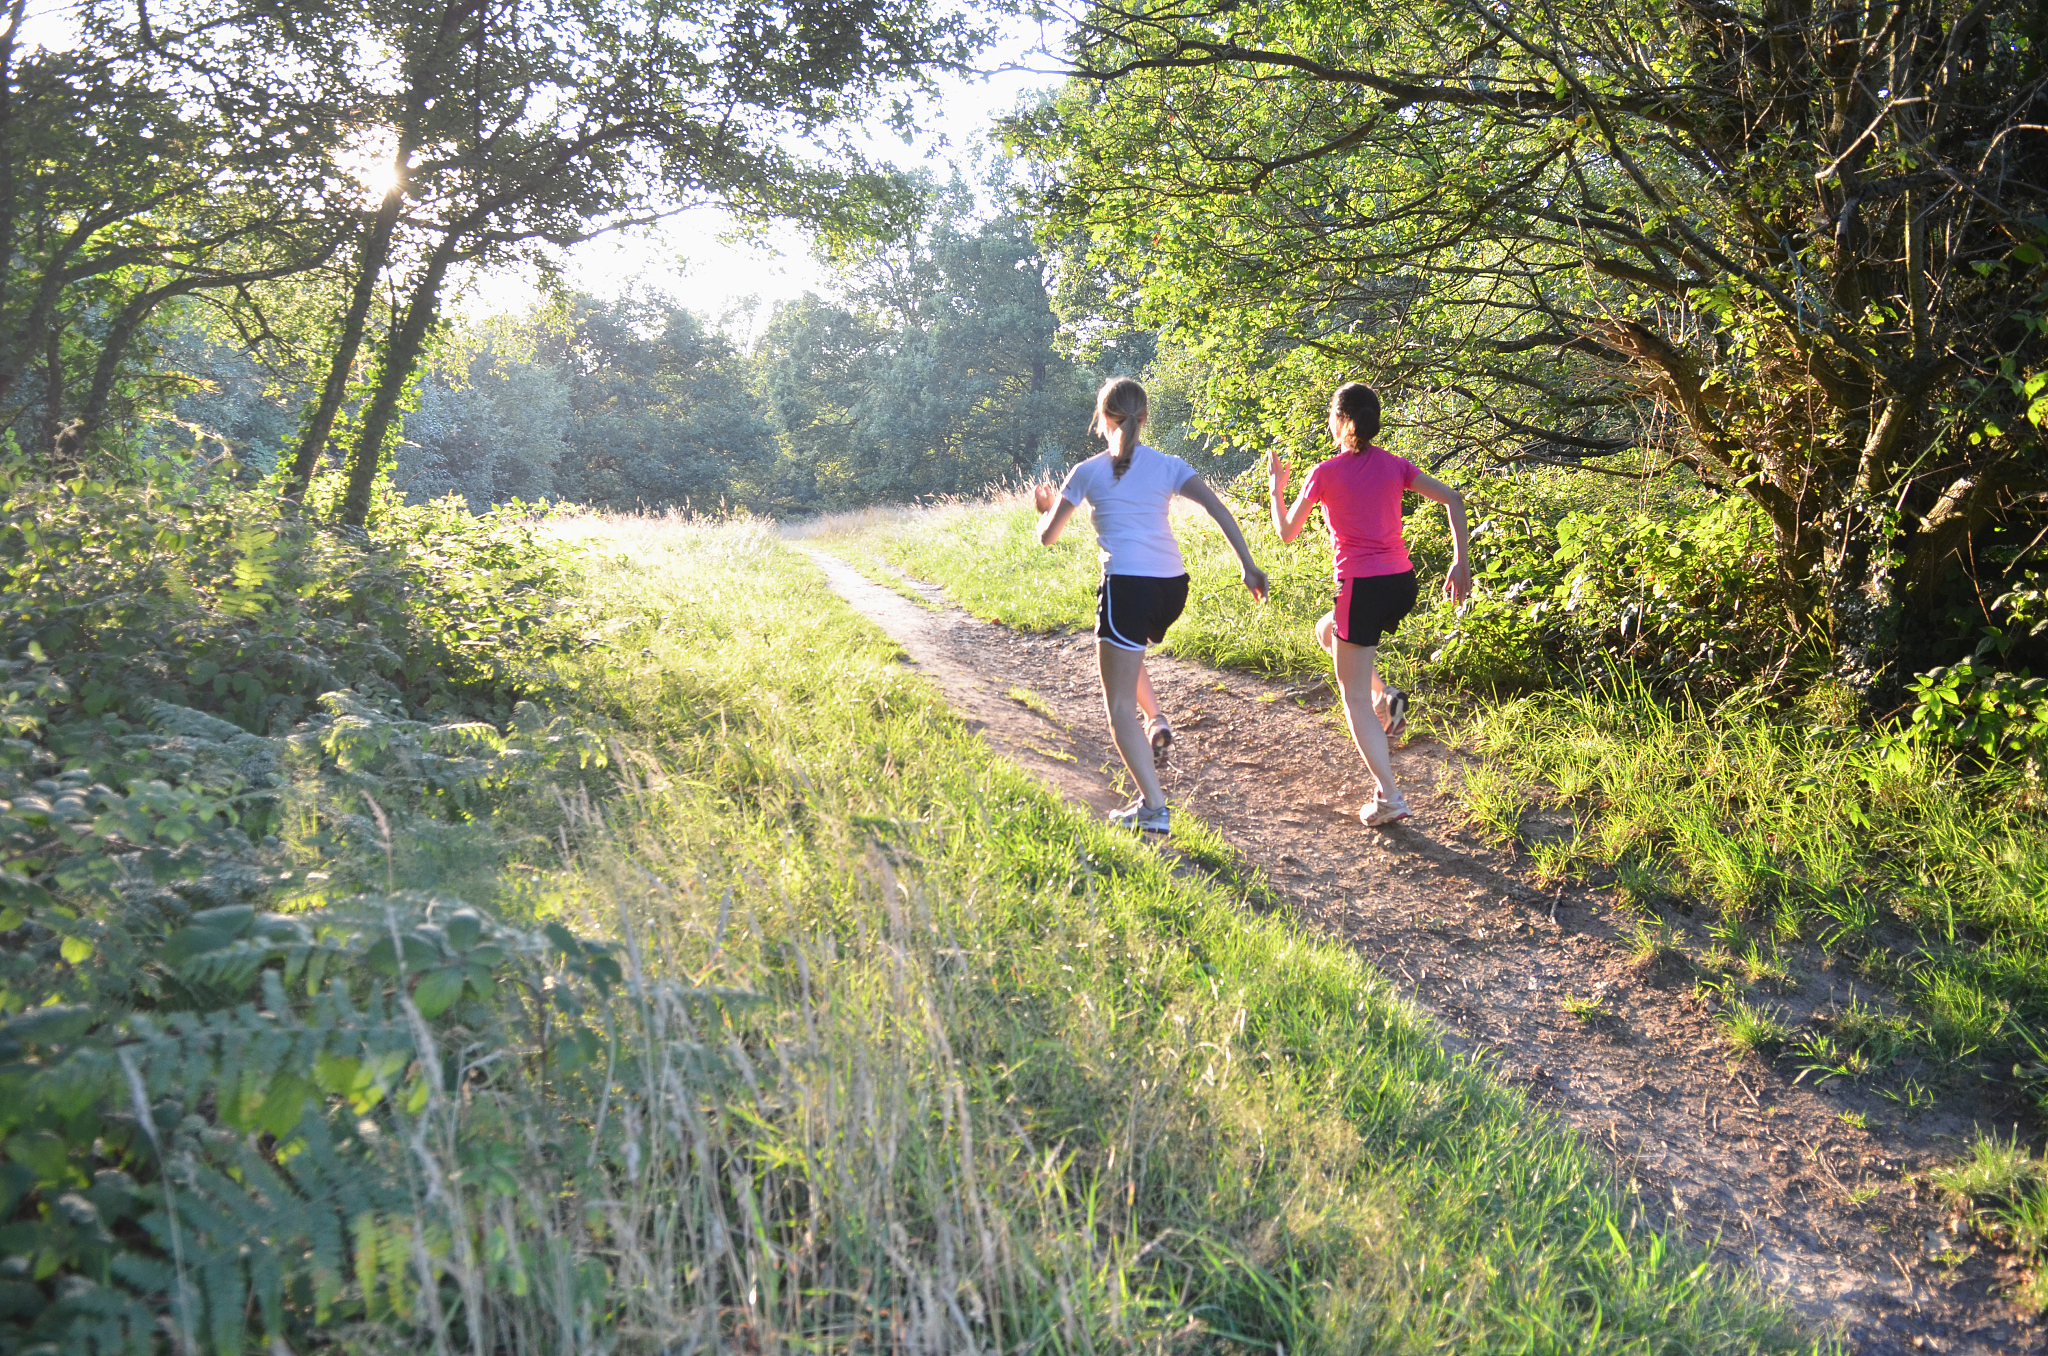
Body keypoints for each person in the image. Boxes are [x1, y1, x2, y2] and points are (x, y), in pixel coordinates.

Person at [1034, 376, 1269, 834]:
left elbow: (1048, 537)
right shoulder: (1169, 465)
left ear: (1103, 419)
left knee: (1116, 706)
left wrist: (1044, 508)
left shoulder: (1087, 471)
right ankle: (1156, 718)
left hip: (1128, 587)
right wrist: (1248, 565)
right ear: (1145, 418)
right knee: (1125, 652)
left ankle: (1154, 808)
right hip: (1171, 588)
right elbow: (1218, 509)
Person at [1267, 382, 1471, 827]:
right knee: (1327, 632)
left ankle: (1390, 796)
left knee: (1351, 697)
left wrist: (1275, 486)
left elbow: (1286, 531)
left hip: (1361, 588)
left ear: (1340, 421)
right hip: (1401, 583)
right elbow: (1454, 498)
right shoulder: (1395, 465)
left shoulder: (1324, 473)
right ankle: (1387, 695)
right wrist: (1460, 564)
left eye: (1330, 415)